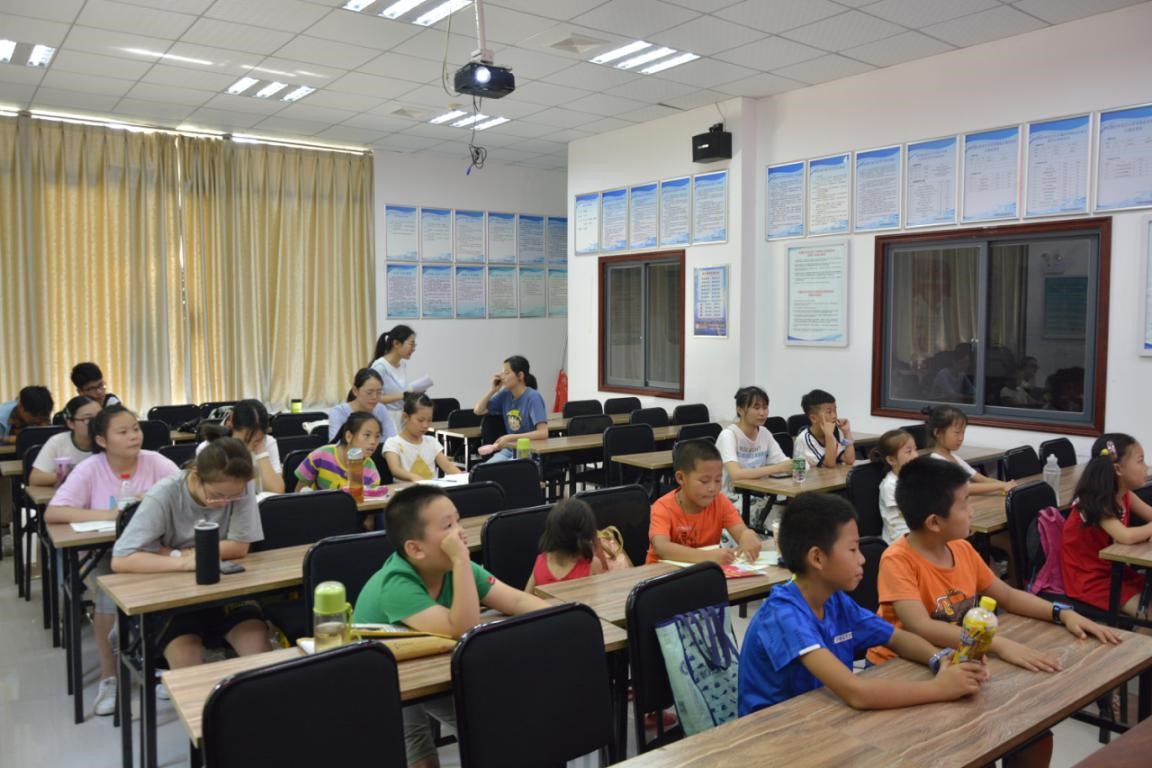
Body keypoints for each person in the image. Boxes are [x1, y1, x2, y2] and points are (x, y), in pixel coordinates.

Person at [868, 456, 1120, 768]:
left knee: (1034, 736)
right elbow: (921, 626)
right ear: (934, 522)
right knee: (968, 749)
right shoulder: (897, 560)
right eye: (964, 504)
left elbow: (1009, 597)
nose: (972, 511)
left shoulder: (961, 548)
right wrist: (1000, 645)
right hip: (902, 668)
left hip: (960, 657)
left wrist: (1062, 613)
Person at [353, 485, 550, 768]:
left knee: (489, 724)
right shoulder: (397, 584)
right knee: (421, 754)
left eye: (458, 520)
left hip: (434, 662)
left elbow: (517, 600)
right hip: (384, 678)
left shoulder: (455, 569)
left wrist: (564, 620)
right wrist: (460, 560)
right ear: (415, 549)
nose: (459, 531)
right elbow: (463, 629)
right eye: (448, 526)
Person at [738, 492, 988, 715]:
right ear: (817, 558)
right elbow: (856, 693)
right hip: (775, 734)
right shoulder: (784, 615)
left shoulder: (834, 601)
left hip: (823, 718)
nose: (862, 559)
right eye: (852, 550)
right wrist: (940, 688)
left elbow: (896, 638)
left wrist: (941, 659)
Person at [44, 404, 181, 715]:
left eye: (135, 429)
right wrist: (109, 515)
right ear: (102, 440)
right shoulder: (90, 469)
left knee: (175, 588)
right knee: (109, 595)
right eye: (123, 432)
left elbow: (187, 492)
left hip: (154, 550)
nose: (134, 436)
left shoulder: (156, 461)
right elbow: (54, 512)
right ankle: (111, 677)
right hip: (102, 553)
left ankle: (157, 664)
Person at [111, 438, 271, 671]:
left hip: (224, 591)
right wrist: (186, 563)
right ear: (196, 477)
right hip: (171, 596)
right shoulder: (164, 494)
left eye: (232, 497)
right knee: (188, 658)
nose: (224, 503)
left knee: (259, 650)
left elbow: (238, 547)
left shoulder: (240, 487)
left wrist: (174, 553)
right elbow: (122, 559)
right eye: (217, 495)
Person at [1061, 434, 1152, 617]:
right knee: (1148, 613)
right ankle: (1134, 636)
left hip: (1115, 570)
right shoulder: (1094, 502)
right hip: (1089, 580)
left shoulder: (1125, 495)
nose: (1146, 467)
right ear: (1118, 469)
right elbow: (1125, 536)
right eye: (1140, 461)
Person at [646, 439, 762, 565]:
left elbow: (740, 531)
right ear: (681, 478)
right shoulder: (663, 507)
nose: (712, 488)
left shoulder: (720, 502)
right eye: (704, 481)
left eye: (718, 480)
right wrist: (706, 557)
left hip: (702, 572)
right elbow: (662, 547)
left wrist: (746, 535)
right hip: (661, 573)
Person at [716, 386, 791, 528]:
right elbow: (736, 474)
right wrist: (778, 468)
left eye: (765, 407)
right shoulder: (728, 435)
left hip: (758, 496)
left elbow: (784, 462)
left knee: (791, 515)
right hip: (729, 498)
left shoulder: (764, 433)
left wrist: (798, 464)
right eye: (756, 408)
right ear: (740, 410)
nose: (762, 413)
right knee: (777, 521)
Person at [197, 399, 284, 493]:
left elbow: (277, 491)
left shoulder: (267, 443)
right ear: (231, 421)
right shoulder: (208, 449)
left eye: (257, 441)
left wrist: (261, 452)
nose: (249, 448)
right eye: (244, 441)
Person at [473, 354, 548, 463]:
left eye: (506, 372)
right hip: (510, 449)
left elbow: (543, 433)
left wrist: (510, 437)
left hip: (528, 450)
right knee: (485, 470)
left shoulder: (533, 397)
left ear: (520, 375)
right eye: (502, 372)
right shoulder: (505, 394)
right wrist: (493, 390)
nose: (502, 376)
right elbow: (478, 410)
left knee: (506, 470)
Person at [924, 405, 1014, 495]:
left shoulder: (955, 458)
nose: (961, 438)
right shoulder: (935, 462)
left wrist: (1008, 485)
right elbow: (962, 488)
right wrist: (1000, 486)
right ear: (937, 432)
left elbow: (982, 479)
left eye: (963, 432)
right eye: (957, 433)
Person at [524, 498, 607, 592]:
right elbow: (601, 598)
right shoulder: (592, 565)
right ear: (587, 534)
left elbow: (526, 595)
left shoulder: (540, 561)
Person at [383, 393, 462, 482]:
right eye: (420, 420)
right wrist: (414, 477)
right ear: (405, 417)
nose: (425, 425)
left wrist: (464, 477)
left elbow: (448, 466)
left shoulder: (432, 441)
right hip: (407, 489)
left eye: (429, 420)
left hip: (431, 489)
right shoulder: (393, 443)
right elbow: (395, 470)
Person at [296, 411, 383, 492]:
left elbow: (367, 501)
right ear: (349, 436)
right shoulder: (320, 455)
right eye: (367, 435)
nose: (373, 442)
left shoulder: (371, 472)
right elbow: (299, 493)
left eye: (377, 436)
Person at [28, 396, 100, 486]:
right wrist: (70, 475)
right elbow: (35, 479)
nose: (97, 423)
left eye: (100, 418)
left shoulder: (110, 442)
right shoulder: (57, 442)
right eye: (88, 419)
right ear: (70, 423)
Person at [370, 325, 431, 430]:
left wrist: (413, 395)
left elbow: (401, 392)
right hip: (384, 419)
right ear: (396, 344)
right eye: (411, 344)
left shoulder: (402, 364)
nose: (413, 349)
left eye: (414, 345)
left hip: (401, 418)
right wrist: (403, 395)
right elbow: (374, 398)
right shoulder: (380, 367)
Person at [870, 429, 918, 544]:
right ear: (891, 460)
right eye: (909, 451)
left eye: (915, 449)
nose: (916, 455)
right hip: (899, 541)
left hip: (919, 535)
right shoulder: (889, 486)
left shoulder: (917, 478)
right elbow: (896, 525)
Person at [326, 368, 398, 443]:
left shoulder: (381, 409)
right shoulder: (339, 412)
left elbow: (392, 440)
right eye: (369, 392)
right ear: (355, 391)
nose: (375, 397)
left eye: (379, 392)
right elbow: (336, 445)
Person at [795, 389, 856, 468]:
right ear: (814, 418)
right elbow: (829, 464)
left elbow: (849, 460)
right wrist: (829, 436)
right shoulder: (804, 439)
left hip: (827, 476)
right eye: (829, 412)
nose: (834, 416)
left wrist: (846, 432)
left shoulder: (832, 433)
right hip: (806, 476)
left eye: (835, 410)